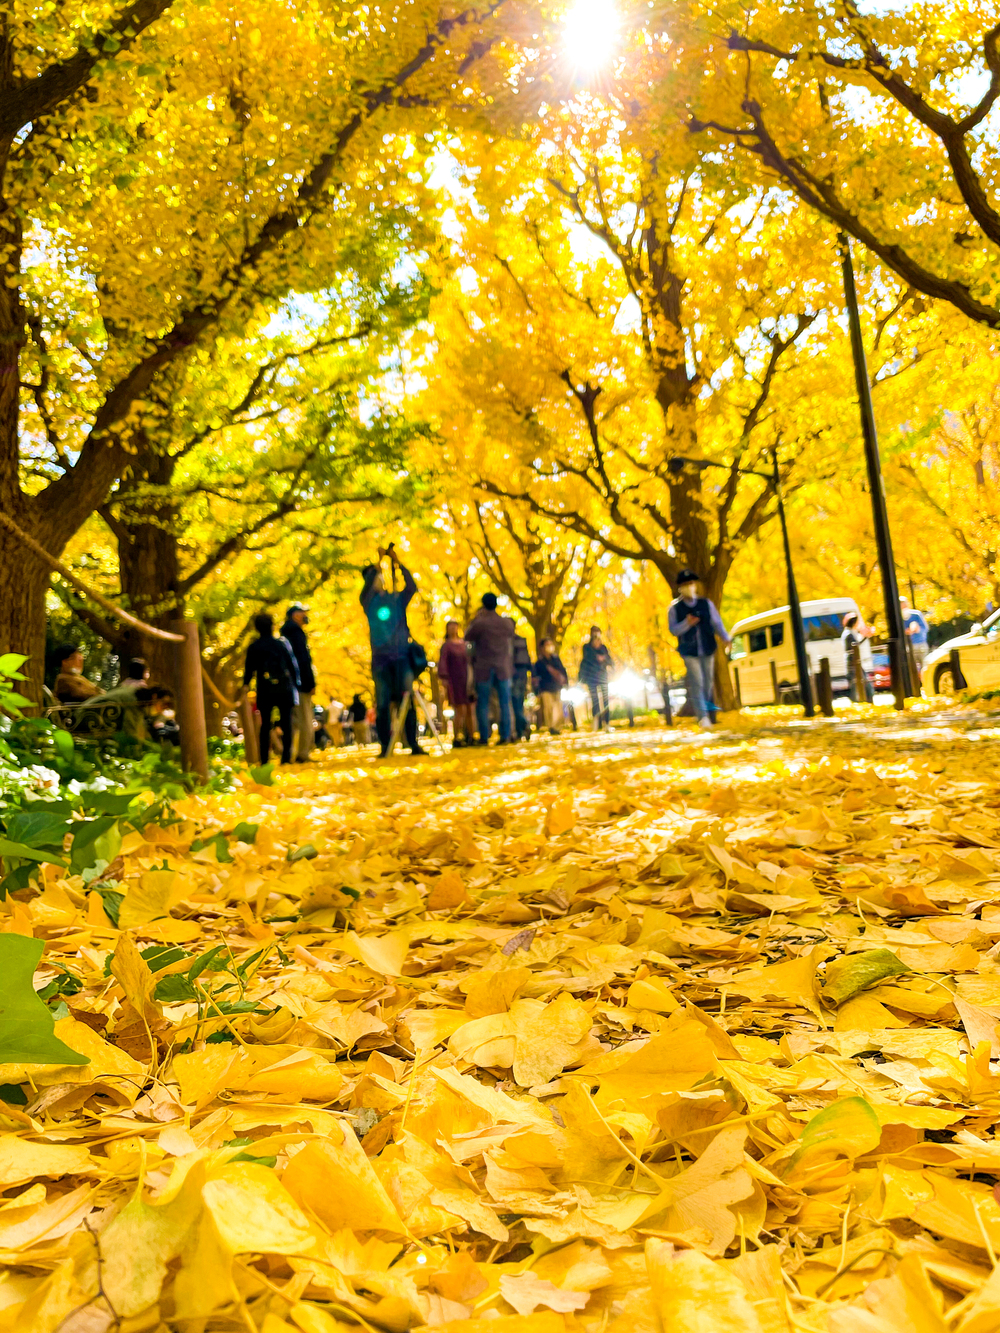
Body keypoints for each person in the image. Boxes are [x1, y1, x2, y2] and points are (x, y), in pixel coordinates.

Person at [360, 546, 425, 758]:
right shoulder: (368, 602)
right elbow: (368, 586)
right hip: (381, 661)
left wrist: (397, 563)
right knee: (382, 704)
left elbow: (412, 586)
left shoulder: (396, 599)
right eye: (376, 576)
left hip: (402, 658)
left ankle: (412, 744)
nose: (379, 579)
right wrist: (379, 562)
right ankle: (385, 747)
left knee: (408, 702)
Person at [667, 569, 731, 729]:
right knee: (698, 681)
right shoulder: (675, 608)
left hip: (707, 647)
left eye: (691, 583)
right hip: (689, 651)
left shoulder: (706, 604)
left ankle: (710, 715)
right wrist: (687, 623)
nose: (690, 586)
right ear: (680, 587)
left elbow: (717, 623)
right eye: (686, 584)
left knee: (708, 682)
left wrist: (725, 637)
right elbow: (673, 630)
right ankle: (702, 718)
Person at [238, 612, 300, 764]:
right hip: (283, 688)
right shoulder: (280, 644)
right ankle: (286, 757)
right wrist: (296, 684)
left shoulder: (254, 647)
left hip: (264, 688)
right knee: (286, 722)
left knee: (265, 724)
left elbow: (249, 669)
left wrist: (246, 685)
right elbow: (291, 666)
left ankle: (264, 759)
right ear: (272, 626)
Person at [465, 593, 515, 745]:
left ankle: (484, 736)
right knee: (504, 702)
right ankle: (505, 735)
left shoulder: (480, 623)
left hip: (484, 668)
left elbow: (467, 636)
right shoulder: (506, 623)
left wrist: (475, 618)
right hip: (503, 668)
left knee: (483, 703)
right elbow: (511, 634)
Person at [281, 603, 316, 763]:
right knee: (305, 719)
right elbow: (302, 660)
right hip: (301, 684)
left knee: (295, 720)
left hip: (290, 684)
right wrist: (310, 682)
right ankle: (302, 753)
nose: (305, 616)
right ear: (295, 615)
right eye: (303, 613)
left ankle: (292, 752)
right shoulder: (296, 634)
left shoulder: (286, 635)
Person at [438, 621, 475, 747]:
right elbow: (443, 662)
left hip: (467, 680)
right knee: (460, 709)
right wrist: (444, 679)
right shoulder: (447, 646)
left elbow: (471, 661)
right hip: (455, 681)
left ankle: (471, 736)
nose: (453, 629)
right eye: (450, 627)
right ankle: (457, 736)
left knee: (470, 708)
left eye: (455, 627)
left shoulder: (464, 644)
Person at [579, 626, 614, 730]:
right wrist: (595, 654)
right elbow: (586, 659)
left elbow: (610, 661)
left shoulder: (603, 648)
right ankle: (595, 723)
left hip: (603, 677)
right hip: (591, 678)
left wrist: (604, 658)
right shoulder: (586, 647)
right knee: (595, 700)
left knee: (605, 700)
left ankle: (607, 723)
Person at [533, 638, 568, 734]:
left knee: (558, 707)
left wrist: (565, 683)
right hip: (545, 688)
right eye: (547, 645)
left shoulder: (556, 659)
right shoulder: (539, 663)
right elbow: (536, 676)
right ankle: (551, 727)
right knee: (548, 708)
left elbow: (563, 671)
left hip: (556, 687)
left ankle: (557, 727)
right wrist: (536, 690)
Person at [842, 612, 874, 703]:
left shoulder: (849, 632)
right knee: (858, 684)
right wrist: (865, 636)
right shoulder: (848, 634)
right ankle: (865, 701)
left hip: (854, 663)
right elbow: (854, 646)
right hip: (853, 663)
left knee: (858, 684)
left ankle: (865, 701)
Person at [900, 595, 930, 683]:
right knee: (911, 668)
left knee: (924, 666)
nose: (903, 606)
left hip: (920, 644)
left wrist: (917, 629)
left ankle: (926, 684)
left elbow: (925, 628)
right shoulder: (899, 617)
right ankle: (915, 686)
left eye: (904, 604)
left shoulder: (916, 615)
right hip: (908, 646)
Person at [511, 627, 532, 740]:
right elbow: (527, 660)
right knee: (518, 704)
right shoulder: (521, 640)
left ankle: (523, 725)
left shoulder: (508, 640)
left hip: (513, 676)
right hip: (522, 675)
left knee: (515, 705)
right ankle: (520, 730)